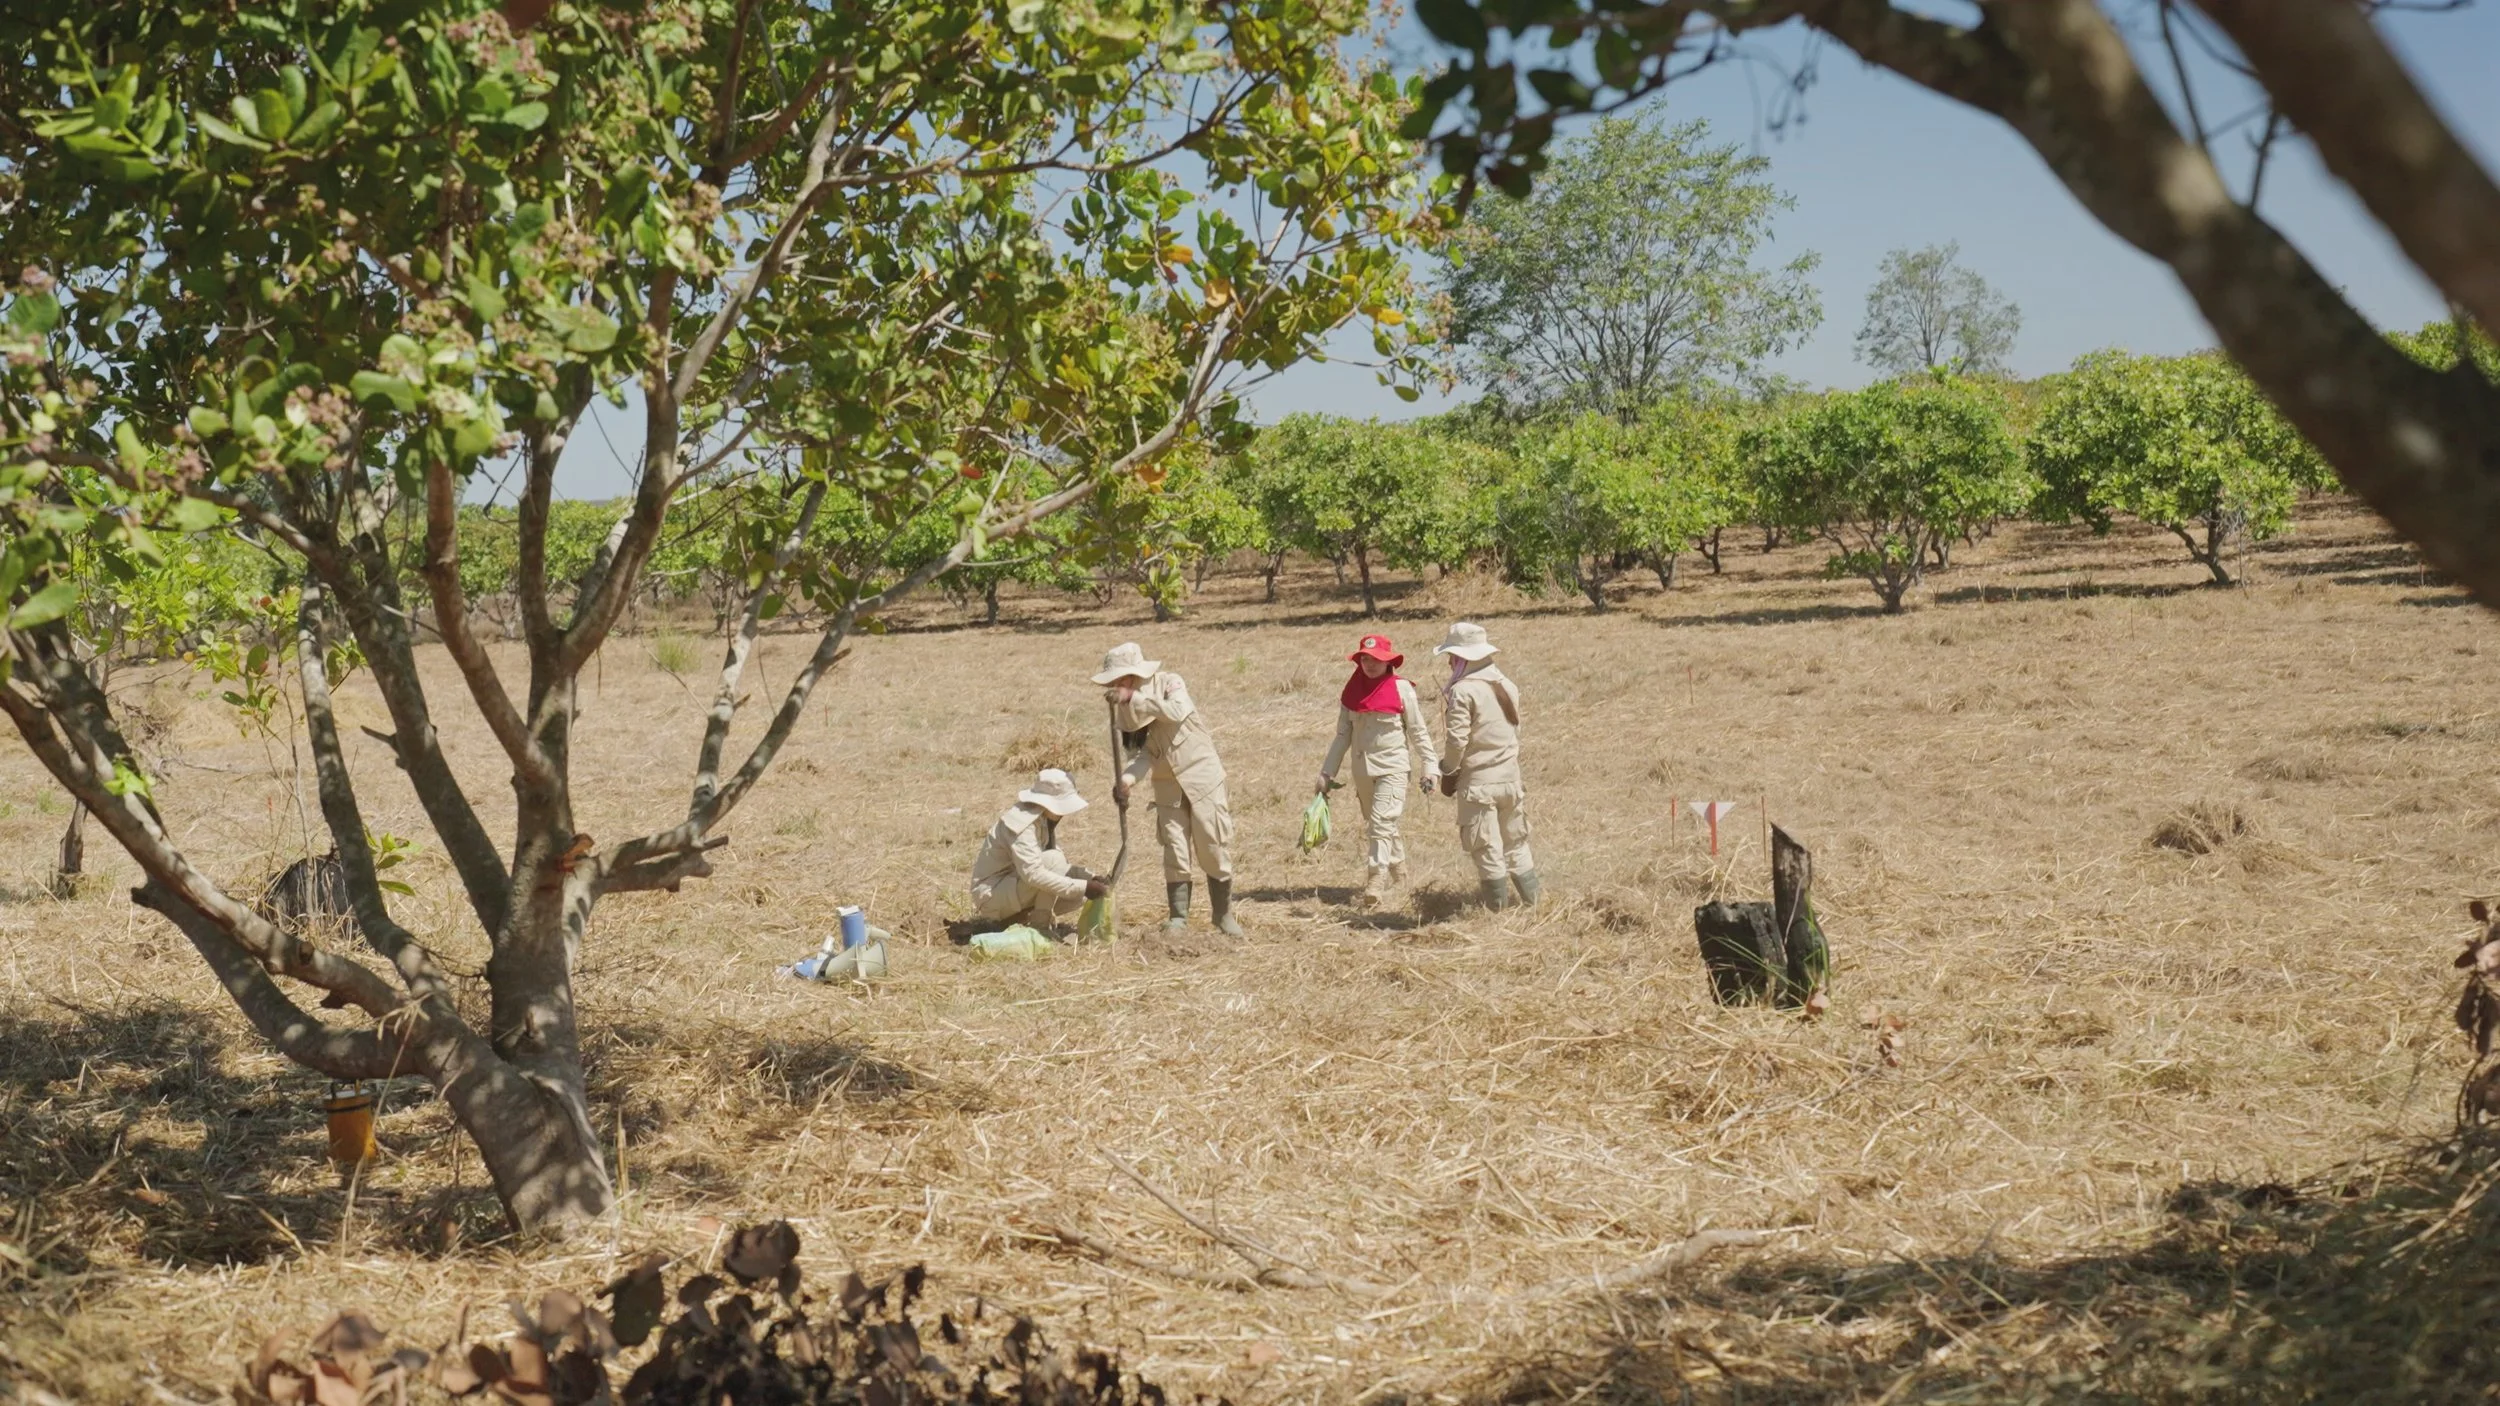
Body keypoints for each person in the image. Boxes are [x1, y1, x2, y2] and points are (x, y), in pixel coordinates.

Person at [1094, 641, 1242, 937]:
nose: (1116, 684)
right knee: (1175, 850)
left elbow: (1176, 711)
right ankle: (1178, 917)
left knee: (1212, 845)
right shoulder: (1125, 709)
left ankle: (1222, 916)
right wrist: (1126, 780)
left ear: (1134, 675)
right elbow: (1143, 755)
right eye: (1113, 680)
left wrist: (1135, 698)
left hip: (1203, 779)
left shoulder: (1170, 683)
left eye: (1120, 678)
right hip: (1167, 787)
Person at [1316, 633, 1440, 909]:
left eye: (1376, 660)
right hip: (1362, 770)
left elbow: (1418, 731)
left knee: (1382, 822)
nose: (1370, 665)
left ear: (1388, 662)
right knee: (1379, 824)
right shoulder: (1351, 691)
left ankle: (1375, 880)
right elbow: (1342, 736)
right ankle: (1401, 874)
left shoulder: (1402, 689)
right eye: (1365, 659)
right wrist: (1327, 773)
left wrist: (1430, 767)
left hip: (1393, 767)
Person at [1430, 621, 1538, 909]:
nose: (1450, 663)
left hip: (1478, 785)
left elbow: (1456, 742)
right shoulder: (1508, 684)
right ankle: (1535, 907)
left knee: (1487, 848)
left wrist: (1447, 769)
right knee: (1517, 845)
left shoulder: (1463, 691)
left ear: (1462, 658)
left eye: (1451, 657)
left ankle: (1497, 917)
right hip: (1511, 781)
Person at [969, 768, 1108, 931]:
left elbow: (1059, 869)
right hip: (991, 896)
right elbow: (1033, 873)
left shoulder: (1041, 820)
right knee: (1054, 860)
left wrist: (1089, 878)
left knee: (1078, 897)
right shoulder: (1022, 823)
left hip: (1010, 889)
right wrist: (1084, 887)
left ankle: (1019, 919)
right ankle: (1039, 926)